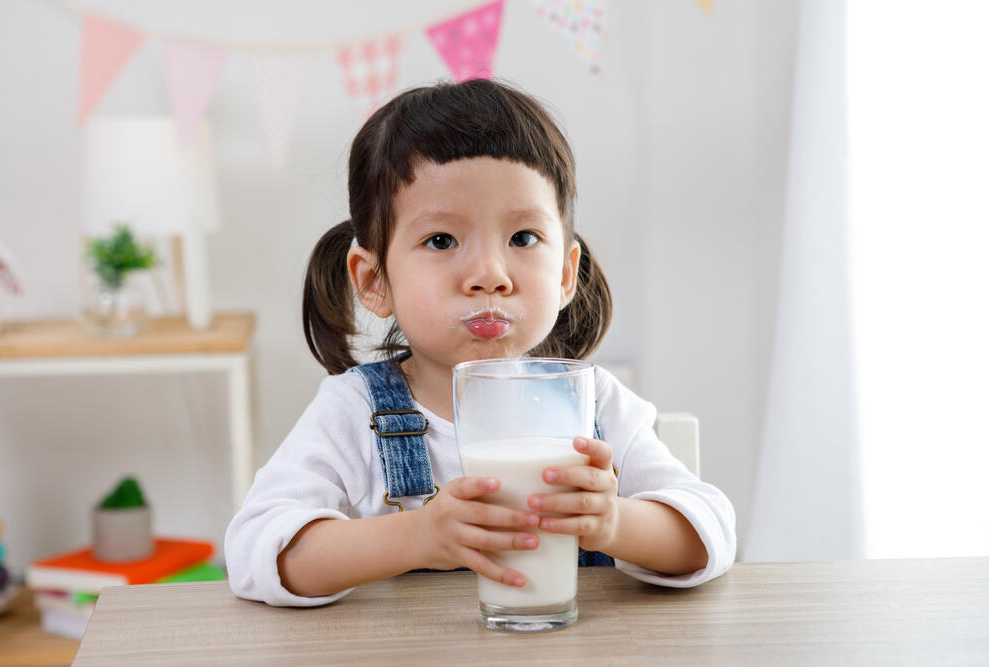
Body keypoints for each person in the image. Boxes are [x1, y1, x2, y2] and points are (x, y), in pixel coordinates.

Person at [225, 79, 736, 606]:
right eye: (441, 240)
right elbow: (254, 553)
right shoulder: (352, 413)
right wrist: (416, 537)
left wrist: (615, 522)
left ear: (565, 274)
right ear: (374, 281)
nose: (489, 275)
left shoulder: (596, 405)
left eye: (522, 238)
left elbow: (710, 534)